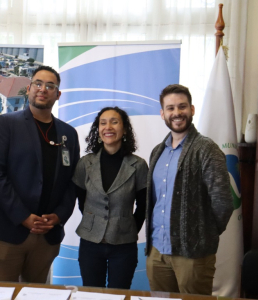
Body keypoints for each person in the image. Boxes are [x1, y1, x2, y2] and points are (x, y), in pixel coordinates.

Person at [0, 65, 80, 283]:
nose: (43, 89)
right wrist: (22, 217)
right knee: (1, 295)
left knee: (37, 294)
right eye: (38, 83)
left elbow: (73, 180)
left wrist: (60, 216)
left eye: (50, 86)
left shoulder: (68, 134)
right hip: (9, 230)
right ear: (29, 89)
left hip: (47, 234)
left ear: (58, 94)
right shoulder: (7, 123)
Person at [145, 84, 234, 295]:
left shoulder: (206, 149)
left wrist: (202, 235)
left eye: (182, 107)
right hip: (157, 252)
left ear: (192, 109)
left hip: (193, 255)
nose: (177, 113)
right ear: (162, 113)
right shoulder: (157, 151)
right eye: (170, 108)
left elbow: (223, 202)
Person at [72, 107, 147, 289]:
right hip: (90, 242)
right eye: (103, 123)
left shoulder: (138, 165)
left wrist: (126, 226)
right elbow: (81, 200)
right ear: (98, 129)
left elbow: (144, 205)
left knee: (119, 294)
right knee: (91, 293)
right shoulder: (85, 163)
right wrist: (94, 221)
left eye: (114, 122)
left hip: (123, 244)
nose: (108, 127)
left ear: (125, 129)